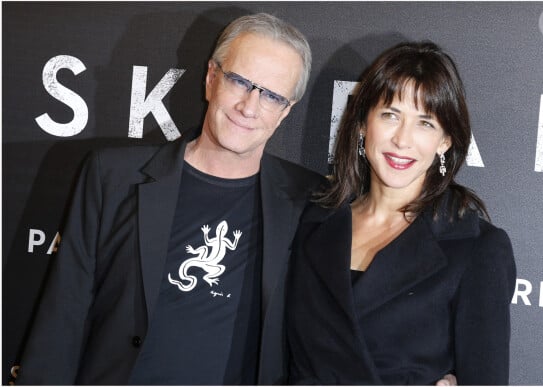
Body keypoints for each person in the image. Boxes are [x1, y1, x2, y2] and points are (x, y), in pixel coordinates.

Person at [12, 13, 326, 385]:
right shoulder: (112, 177)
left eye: (272, 95)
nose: (250, 106)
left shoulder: (310, 201)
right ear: (211, 78)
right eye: (240, 81)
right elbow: (62, 320)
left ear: (285, 111)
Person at [286, 41, 517, 385]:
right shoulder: (312, 220)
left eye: (425, 123)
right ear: (363, 124)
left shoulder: (477, 249)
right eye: (390, 115)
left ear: (445, 142)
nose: (402, 140)